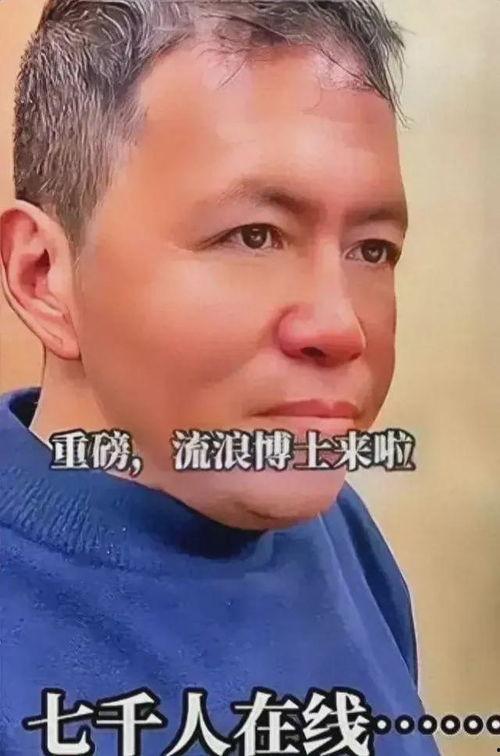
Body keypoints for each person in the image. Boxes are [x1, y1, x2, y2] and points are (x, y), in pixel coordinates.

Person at [0, 1, 440, 754]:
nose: (341, 327)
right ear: (44, 277)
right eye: (254, 236)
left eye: (372, 249)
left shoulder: (335, 531)